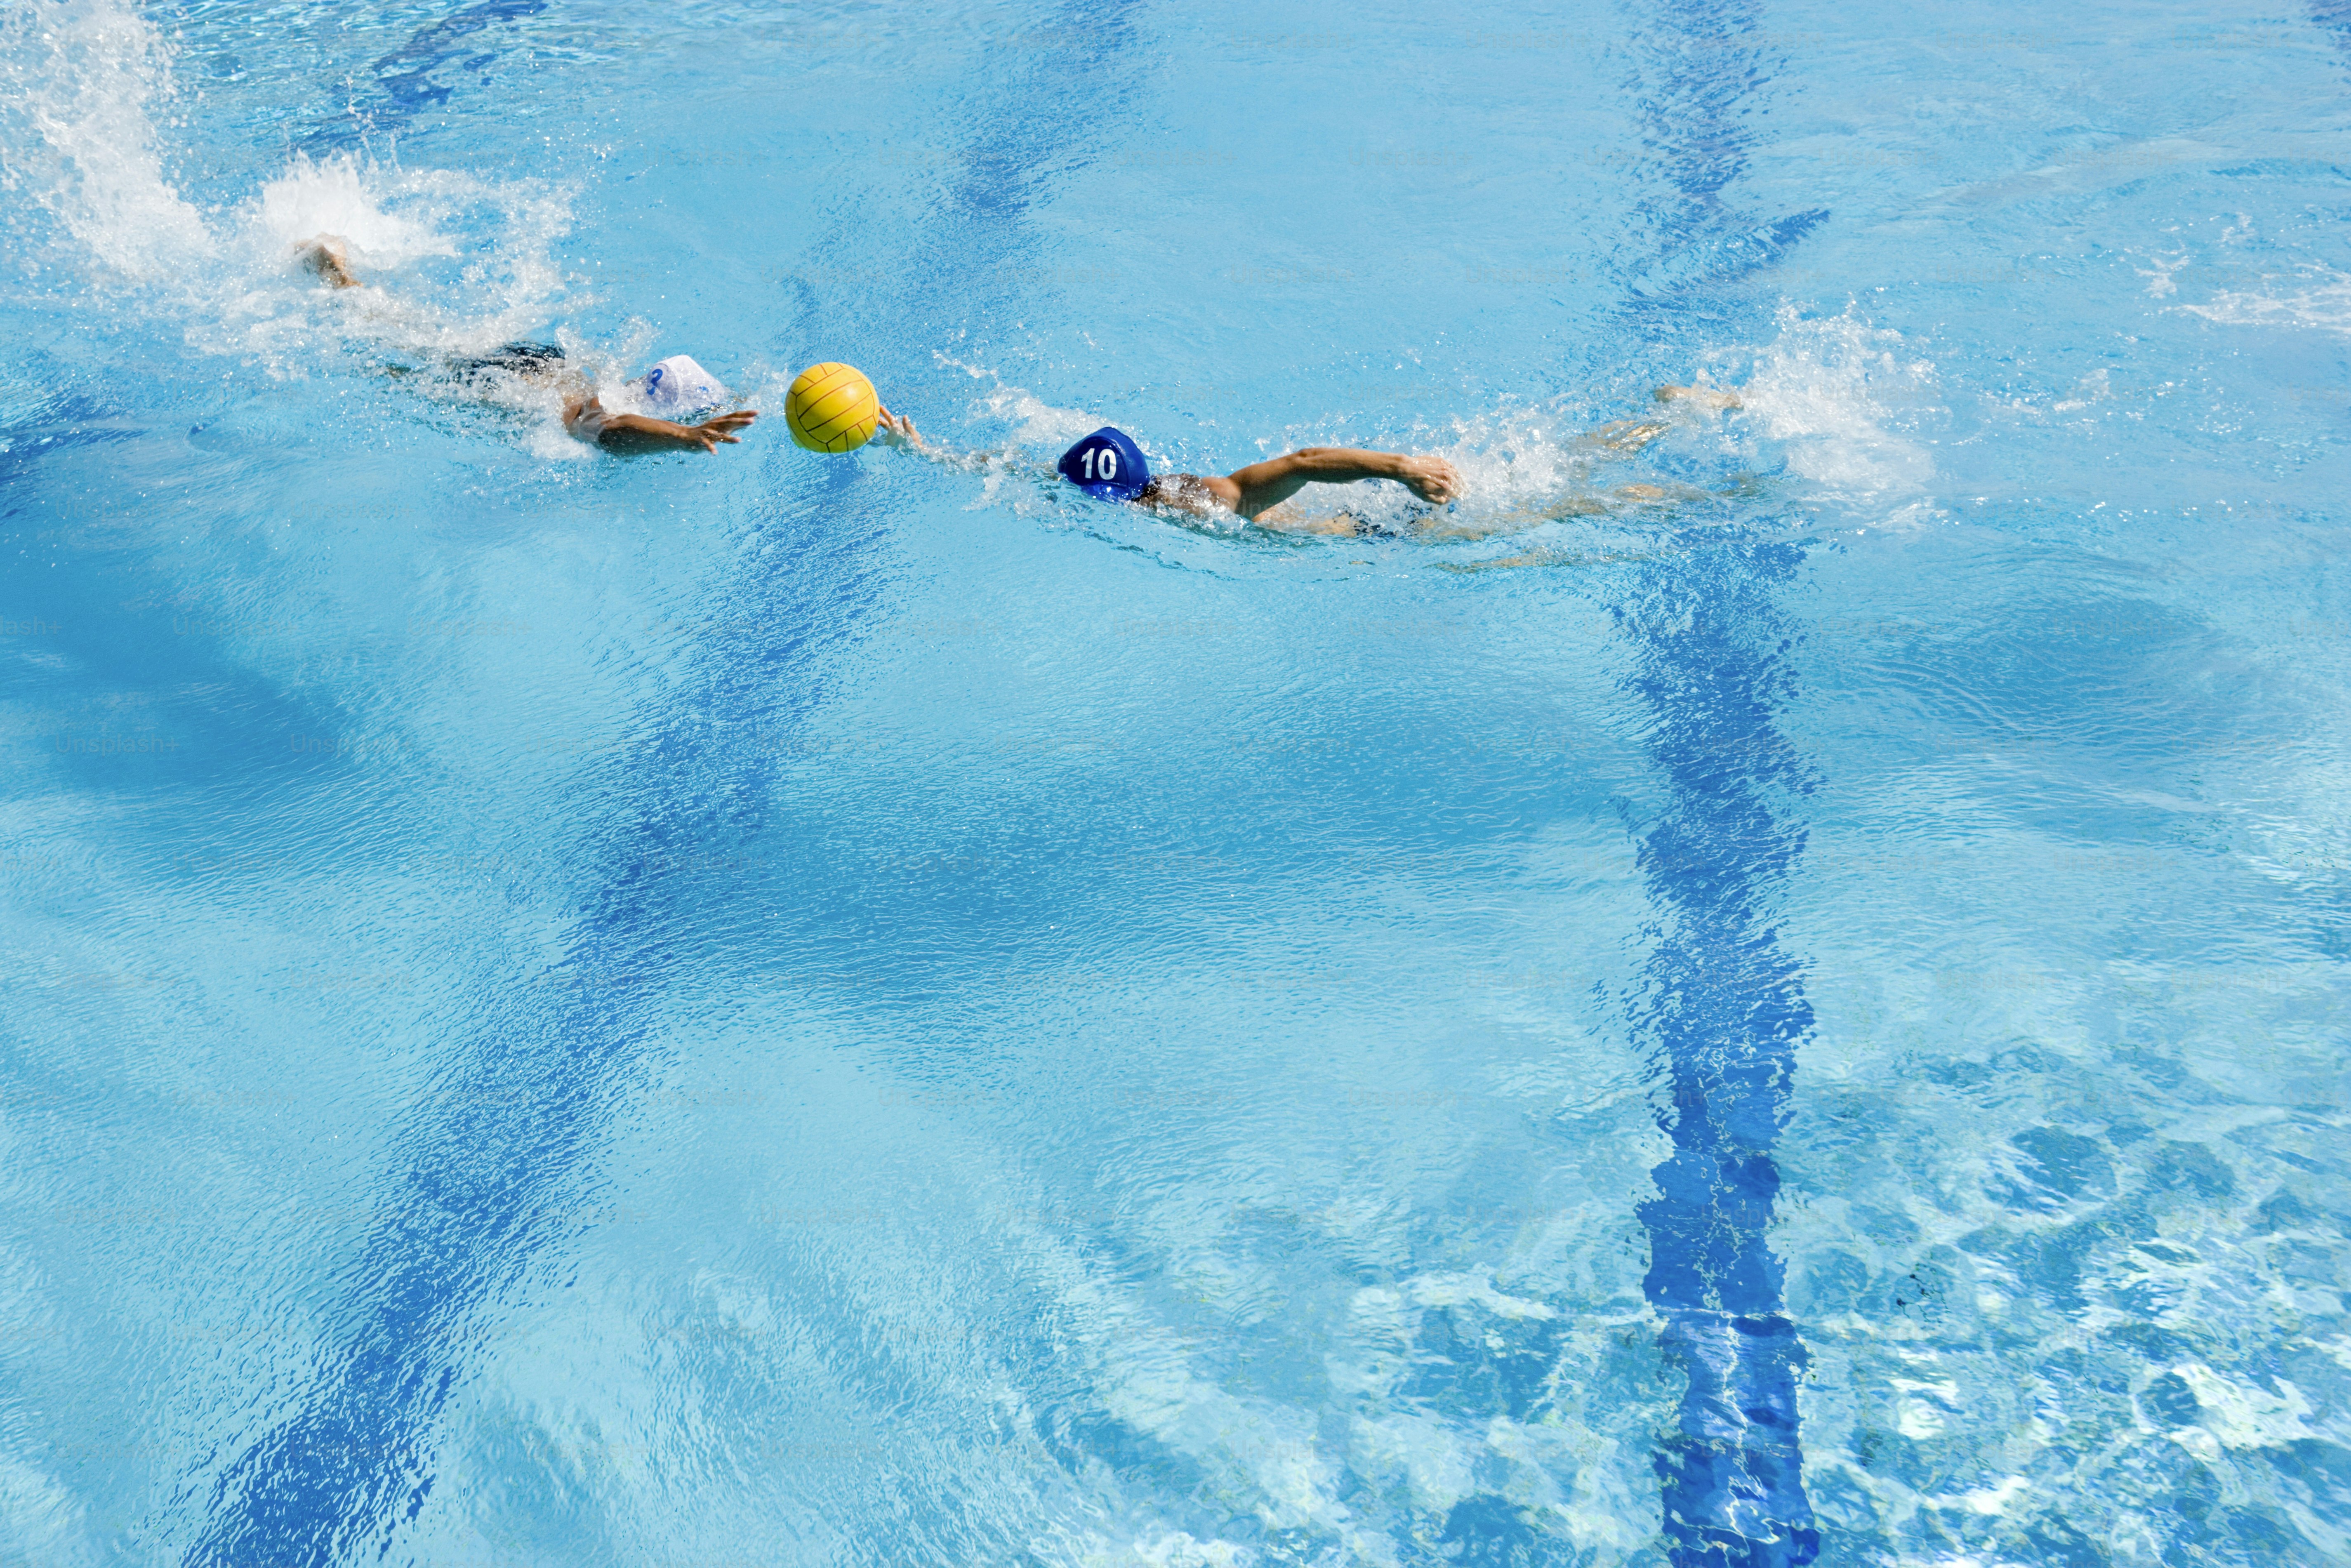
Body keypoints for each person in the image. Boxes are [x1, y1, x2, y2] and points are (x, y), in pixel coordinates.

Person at [294, 235, 757, 454]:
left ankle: (351, 286)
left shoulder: (619, 385)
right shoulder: (603, 408)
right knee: (406, 370)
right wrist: (684, 436)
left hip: (541, 363)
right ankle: (341, 285)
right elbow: (611, 429)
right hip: (510, 381)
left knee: (432, 341)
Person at [871, 407, 1458, 534]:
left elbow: (1302, 463)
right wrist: (923, 453)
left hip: (1374, 531)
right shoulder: (1080, 484)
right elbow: (1005, 472)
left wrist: (1402, 468)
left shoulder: (1203, 500)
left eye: (1113, 500)